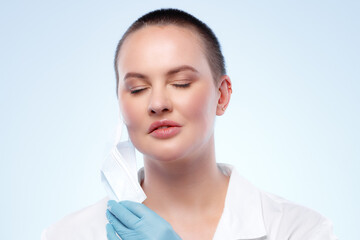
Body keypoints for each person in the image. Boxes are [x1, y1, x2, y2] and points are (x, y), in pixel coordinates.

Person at [42, 8, 337, 240]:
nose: (158, 103)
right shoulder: (69, 235)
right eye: (137, 89)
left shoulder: (299, 230)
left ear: (221, 95)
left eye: (180, 83)